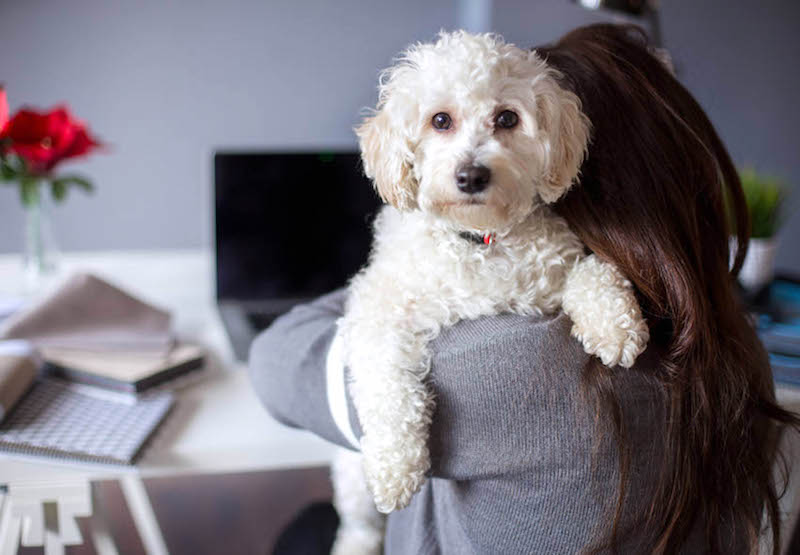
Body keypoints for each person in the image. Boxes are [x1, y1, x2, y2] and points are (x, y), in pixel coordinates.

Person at [248, 24, 798, 554]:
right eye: (443, 121)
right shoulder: (738, 345)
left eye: (505, 121)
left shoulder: (503, 367)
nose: (471, 161)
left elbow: (274, 366)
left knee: (305, 530)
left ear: (576, 167)